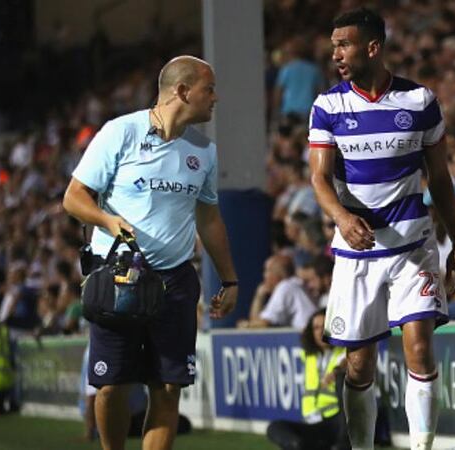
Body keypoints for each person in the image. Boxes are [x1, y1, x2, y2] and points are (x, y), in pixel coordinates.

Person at [308, 8, 455, 450]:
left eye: (344, 44)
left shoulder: (419, 102)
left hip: (412, 244)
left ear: (372, 47)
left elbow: (440, 178)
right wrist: (342, 217)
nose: (336, 52)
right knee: (358, 367)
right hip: (356, 248)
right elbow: (319, 178)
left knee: (419, 347)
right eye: (334, 44)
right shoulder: (329, 106)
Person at [62, 55, 239, 450]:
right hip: (118, 277)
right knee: (110, 386)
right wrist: (108, 222)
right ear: (182, 91)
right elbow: (74, 199)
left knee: (168, 388)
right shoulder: (119, 132)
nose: (216, 98)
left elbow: (209, 220)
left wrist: (229, 279)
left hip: (175, 282)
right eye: (208, 89)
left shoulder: (204, 151)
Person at [266, 309, 350, 450]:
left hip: (335, 422)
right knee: (275, 427)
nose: (320, 331)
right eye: (316, 328)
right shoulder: (310, 356)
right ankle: (299, 446)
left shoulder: (343, 351)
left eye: (324, 326)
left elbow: (349, 361)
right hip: (312, 422)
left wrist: (336, 371)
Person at [241, 254, 316, 329]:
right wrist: (259, 296)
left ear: (278, 273)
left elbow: (263, 324)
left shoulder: (285, 286)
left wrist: (246, 325)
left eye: (267, 270)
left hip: (308, 335)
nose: (264, 275)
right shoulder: (295, 284)